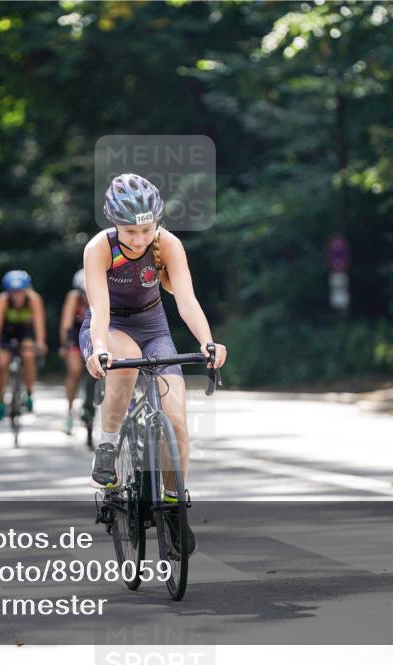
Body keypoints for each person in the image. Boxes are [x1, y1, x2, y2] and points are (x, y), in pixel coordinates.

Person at [81, 173, 227, 556]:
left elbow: (187, 300)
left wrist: (207, 341)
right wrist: (99, 348)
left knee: (176, 418)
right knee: (125, 368)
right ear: (114, 224)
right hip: (111, 325)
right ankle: (110, 444)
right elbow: (99, 308)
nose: (139, 238)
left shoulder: (168, 244)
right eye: (130, 231)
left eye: (146, 229)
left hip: (153, 324)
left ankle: (175, 510)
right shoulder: (100, 248)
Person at [0, 270, 47, 420]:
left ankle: (29, 392)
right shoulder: (2, 300)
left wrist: (40, 342)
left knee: (28, 355)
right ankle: (0, 400)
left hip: (25, 332)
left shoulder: (33, 299)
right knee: (2, 362)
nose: (17, 296)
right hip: (6, 332)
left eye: (20, 292)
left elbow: (39, 324)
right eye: (13, 292)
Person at [58, 268, 88, 433]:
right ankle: (69, 411)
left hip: (96, 337)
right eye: (84, 292)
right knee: (75, 370)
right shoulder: (73, 298)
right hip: (76, 338)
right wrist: (65, 345)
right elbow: (66, 325)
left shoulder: (103, 293)